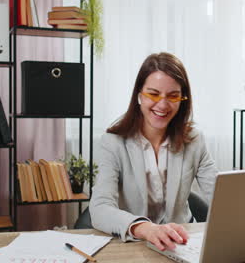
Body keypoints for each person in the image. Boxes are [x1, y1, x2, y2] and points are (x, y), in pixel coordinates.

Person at [89, 52, 217, 251]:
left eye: (173, 96)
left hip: (182, 243)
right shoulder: (112, 142)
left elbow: (219, 195)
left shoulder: (194, 140)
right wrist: (145, 228)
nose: (163, 104)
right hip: (133, 243)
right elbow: (99, 208)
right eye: (154, 93)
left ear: (182, 99)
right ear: (139, 95)